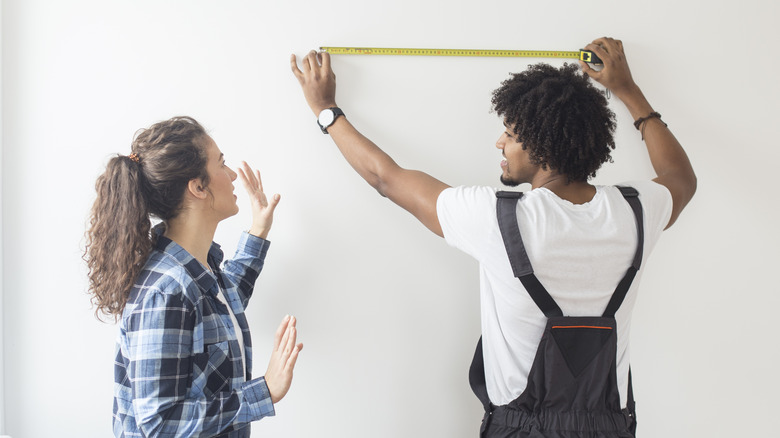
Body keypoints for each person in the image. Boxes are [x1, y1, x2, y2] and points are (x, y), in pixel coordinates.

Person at [291, 37, 696, 437]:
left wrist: (326, 110)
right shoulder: (636, 210)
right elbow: (682, 179)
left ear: (545, 147)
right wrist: (628, 91)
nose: (500, 142)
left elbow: (386, 178)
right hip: (609, 428)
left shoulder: (498, 218)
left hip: (521, 430)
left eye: (511, 133)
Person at [85, 116, 303, 437]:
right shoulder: (168, 290)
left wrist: (259, 229)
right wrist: (264, 391)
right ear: (198, 187)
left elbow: (222, 310)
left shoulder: (196, 268)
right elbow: (160, 423)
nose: (231, 176)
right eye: (222, 163)